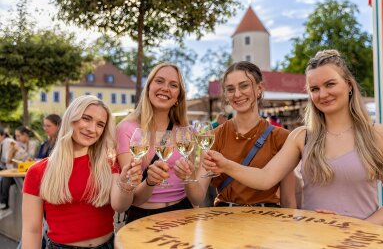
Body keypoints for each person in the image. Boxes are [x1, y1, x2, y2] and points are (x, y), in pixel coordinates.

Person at [203, 50, 383, 227]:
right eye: (314, 89)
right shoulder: (302, 136)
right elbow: (265, 178)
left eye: (330, 84)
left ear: (348, 85)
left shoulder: (379, 135)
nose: (323, 94)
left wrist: (357, 228)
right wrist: (226, 165)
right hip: (313, 239)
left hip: (362, 242)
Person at [22, 95, 142, 248]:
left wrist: (126, 184)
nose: (92, 129)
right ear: (71, 118)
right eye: (86, 118)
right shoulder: (38, 171)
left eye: (100, 124)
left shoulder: (108, 163)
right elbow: (31, 230)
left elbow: (120, 206)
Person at [174, 61, 297, 208]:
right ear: (225, 95)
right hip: (225, 221)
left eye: (244, 86)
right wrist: (188, 177)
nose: (237, 94)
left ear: (259, 88)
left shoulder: (282, 137)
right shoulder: (214, 136)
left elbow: (288, 200)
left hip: (268, 222)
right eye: (230, 89)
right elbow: (197, 198)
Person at [115, 62, 193, 222]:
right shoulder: (127, 128)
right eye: (159, 81)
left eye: (173, 85)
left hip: (184, 212)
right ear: (148, 87)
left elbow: (193, 187)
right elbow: (132, 196)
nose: (165, 88)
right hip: (145, 216)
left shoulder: (184, 130)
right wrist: (150, 182)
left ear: (178, 96)